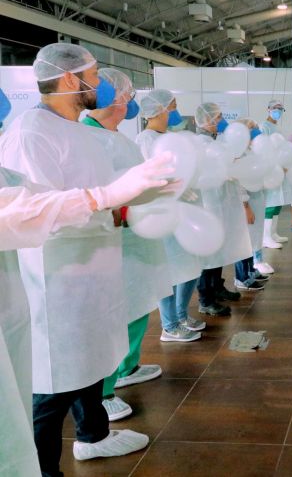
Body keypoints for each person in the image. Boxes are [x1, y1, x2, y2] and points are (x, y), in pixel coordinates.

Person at [0, 43, 150, 475]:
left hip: (94, 266)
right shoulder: (31, 134)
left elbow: (100, 191)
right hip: (58, 276)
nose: (101, 83)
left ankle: (93, 436)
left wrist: (132, 202)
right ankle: (45, 469)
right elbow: (41, 213)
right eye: (96, 74)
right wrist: (109, 205)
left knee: (92, 359)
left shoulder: (79, 130)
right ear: (71, 80)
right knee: (54, 381)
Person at [0, 153, 176, 477]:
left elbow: (41, 199)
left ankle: (90, 436)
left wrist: (119, 204)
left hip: (27, 306)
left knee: (72, 376)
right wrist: (102, 198)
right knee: (44, 398)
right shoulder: (29, 134)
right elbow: (17, 212)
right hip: (44, 294)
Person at [82, 68, 172, 422]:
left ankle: (127, 366)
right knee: (111, 314)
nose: (133, 101)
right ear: (116, 98)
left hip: (134, 238)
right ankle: (103, 392)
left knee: (135, 304)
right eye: (128, 94)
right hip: (109, 241)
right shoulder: (88, 138)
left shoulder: (117, 137)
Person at [137, 91, 209, 338]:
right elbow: (153, 178)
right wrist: (177, 188)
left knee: (188, 268)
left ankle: (181, 315)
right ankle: (169, 326)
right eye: (172, 107)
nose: (176, 112)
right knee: (168, 270)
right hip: (164, 213)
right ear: (157, 110)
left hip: (184, 213)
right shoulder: (145, 140)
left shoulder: (171, 137)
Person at [192, 102, 252, 314]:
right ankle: (205, 298)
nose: (220, 121)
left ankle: (217, 287)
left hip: (220, 203)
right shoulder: (200, 143)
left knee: (219, 248)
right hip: (209, 205)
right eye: (217, 118)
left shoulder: (213, 141)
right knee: (209, 251)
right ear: (206, 120)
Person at [229, 118, 269, 291]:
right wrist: (246, 206)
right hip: (246, 202)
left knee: (251, 239)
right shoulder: (236, 153)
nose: (255, 132)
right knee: (243, 240)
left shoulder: (249, 151)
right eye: (251, 129)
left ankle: (250, 271)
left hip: (255, 198)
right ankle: (242, 277)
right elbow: (237, 183)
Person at [258, 99, 290, 255]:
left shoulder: (277, 128)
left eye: (280, 109)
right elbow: (263, 150)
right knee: (270, 203)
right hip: (270, 171)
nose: (278, 111)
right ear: (268, 109)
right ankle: (265, 237)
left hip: (279, 170)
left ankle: (273, 233)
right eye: (275, 108)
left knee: (278, 202)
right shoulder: (264, 127)